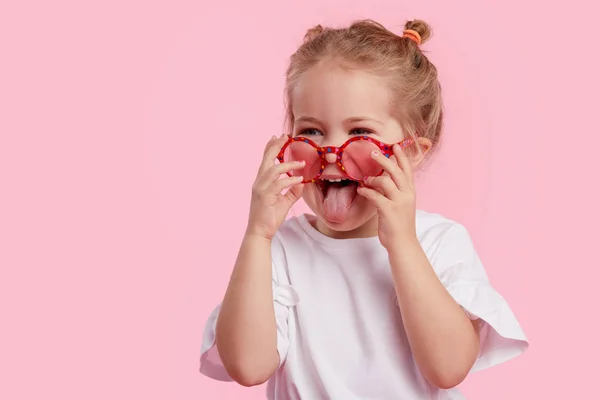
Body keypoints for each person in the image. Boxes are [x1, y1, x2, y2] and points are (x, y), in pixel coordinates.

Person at [199, 18, 528, 399]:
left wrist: (402, 243)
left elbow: (449, 367)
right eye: (311, 131)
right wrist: (257, 236)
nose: (331, 154)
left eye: (359, 133)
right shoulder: (279, 250)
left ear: (411, 152)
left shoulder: (440, 242)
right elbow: (248, 366)